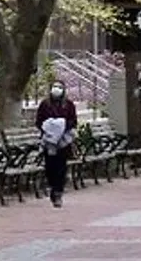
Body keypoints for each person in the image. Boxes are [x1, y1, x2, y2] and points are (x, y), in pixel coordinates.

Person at [35, 79, 78, 207]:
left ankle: (58, 192)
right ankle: (53, 185)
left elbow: (73, 121)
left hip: (63, 141)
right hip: (49, 141)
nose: (56, 89)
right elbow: (39, 121)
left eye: (59, 87)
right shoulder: (45, 104)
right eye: (54, 87)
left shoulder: (69, 105)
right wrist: (49, 128)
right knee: (50, 167)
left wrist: (62, 127)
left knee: (61, 167)